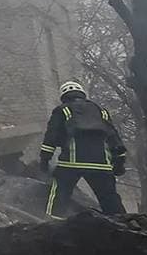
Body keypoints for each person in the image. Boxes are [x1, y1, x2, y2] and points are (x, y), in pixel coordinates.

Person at [39, 81, 128, 217]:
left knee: (60, 196)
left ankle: (52, 224)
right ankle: (126, 228)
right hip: (101, 165)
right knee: (111, 201)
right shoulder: (101, 111)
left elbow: (51, 137)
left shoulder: (63, 110)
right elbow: (113, 138)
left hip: (71, 163)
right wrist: (119, 162)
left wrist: (44, 160)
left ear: (63, 96)